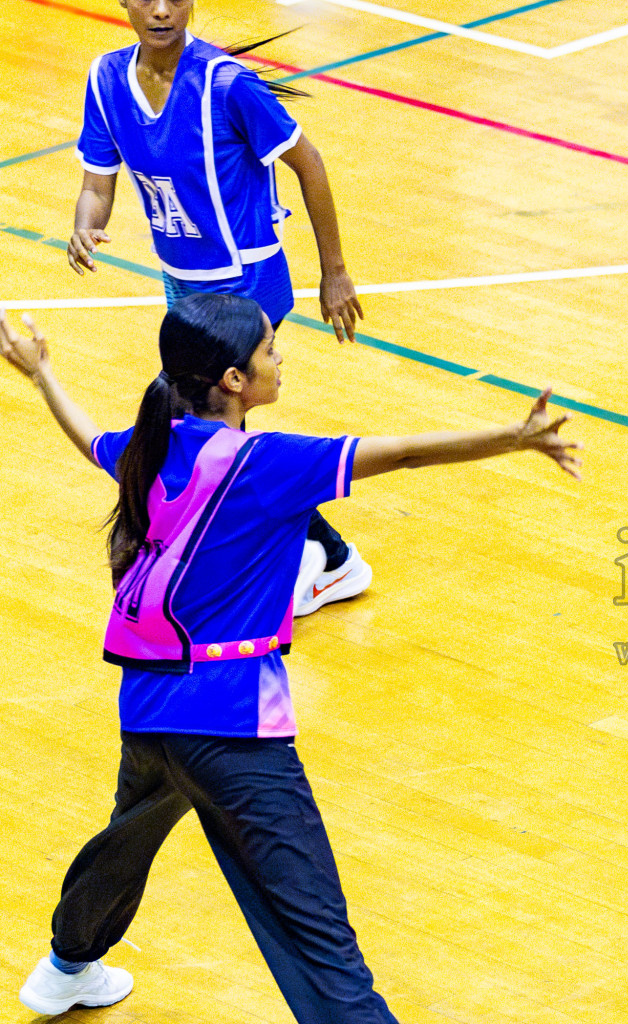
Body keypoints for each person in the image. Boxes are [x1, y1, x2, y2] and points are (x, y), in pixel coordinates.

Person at [1, 295, 579, 1019]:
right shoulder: (267, 465)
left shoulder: (153, 445)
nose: (282, 357)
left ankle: (68, 964)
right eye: (271, 348)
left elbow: (89, 440)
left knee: (130, 833)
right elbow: (400, 453)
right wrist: (513, 437)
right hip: (235, 727)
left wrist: (41, 376)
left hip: (149, 710)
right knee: (314, 935)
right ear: (236, 381)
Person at [67, 0, 370, 617]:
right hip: (185, 286)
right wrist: (84, 226)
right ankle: (315, 555)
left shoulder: (227, 85)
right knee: (202, 434)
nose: (160, 9)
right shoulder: (106, 79)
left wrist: (334, 271)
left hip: (248, 286)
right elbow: (98, 183)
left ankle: (330, 558)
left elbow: (308, 161)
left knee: (200, 430)